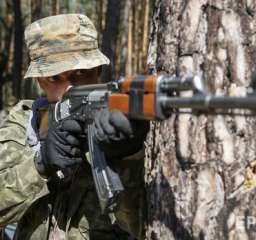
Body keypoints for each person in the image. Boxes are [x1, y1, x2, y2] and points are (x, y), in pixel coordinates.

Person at [0, 14, 148, 240]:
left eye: (80, 74)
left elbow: (145, 226)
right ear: (40, 81)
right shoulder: (24, 122)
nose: (68, 88)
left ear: (98, 70)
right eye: (55, 78)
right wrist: (41, 164)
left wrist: (127, 158)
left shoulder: (122, 120)